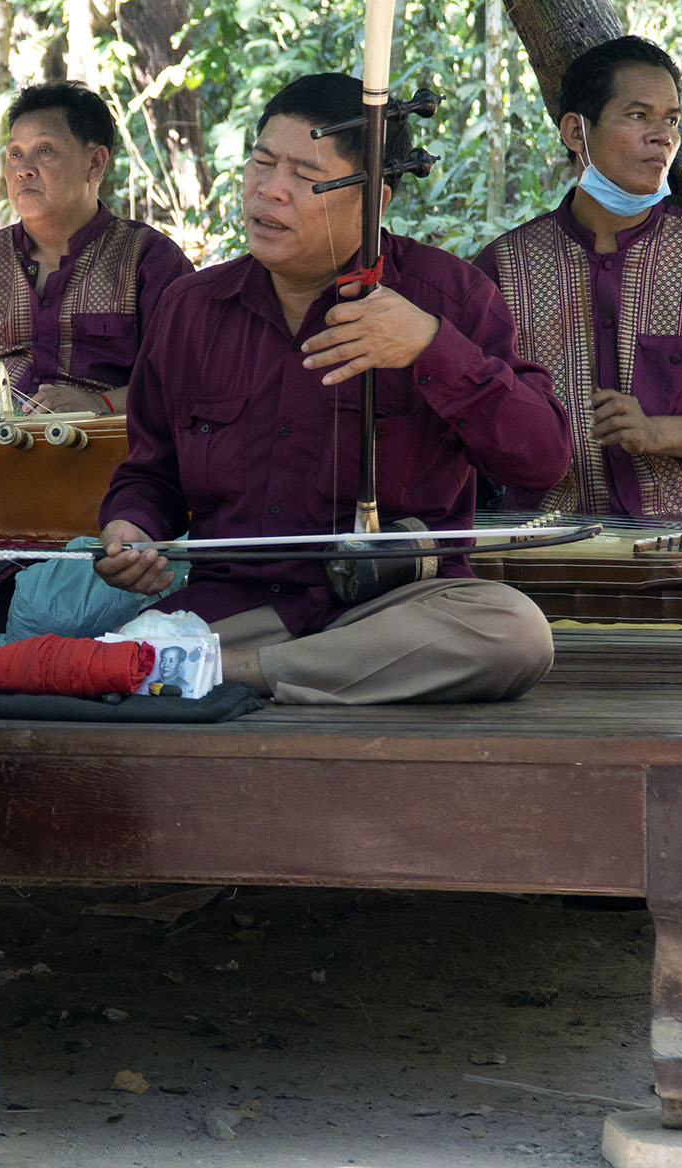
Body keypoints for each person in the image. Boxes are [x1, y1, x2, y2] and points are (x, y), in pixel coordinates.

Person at [95, 73, 572, 706]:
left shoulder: (447, 299)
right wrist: (131, 528)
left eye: (306, 176)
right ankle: (250, 666)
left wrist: (433, 347)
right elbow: (150, 473)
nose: (270, 191)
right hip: (238, 603)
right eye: (261, 164)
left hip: (397, 609)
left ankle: (233, 673)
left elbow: (543, 460)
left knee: (514, 633)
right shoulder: (191, 309)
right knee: (111, 662)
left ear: (374, 200)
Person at [474, 36, 682, 522]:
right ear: (576, 132)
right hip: (548, 537)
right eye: (638, 115)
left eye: (672, 119)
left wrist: (655, 432)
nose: (662, 136)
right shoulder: (501, 269)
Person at [0, 81, 193, 417]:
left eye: (45, 150)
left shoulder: (149, 259)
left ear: (95, 163)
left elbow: (182, 379)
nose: (23, 169)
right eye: (14, 154)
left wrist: (99, 405)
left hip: (107, 458)